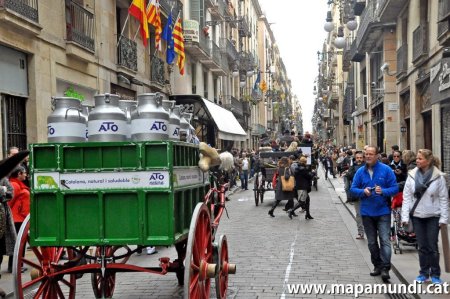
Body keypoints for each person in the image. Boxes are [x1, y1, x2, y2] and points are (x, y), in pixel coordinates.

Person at [350, 145, 398, 282]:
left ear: (377, 156)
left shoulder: (386, 170)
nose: (368, 156)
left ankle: (385, 267)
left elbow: (394, 188)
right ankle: (377, 265)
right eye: (366, 154)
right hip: (366, 212)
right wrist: (362, 192)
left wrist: (383, 191)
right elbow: (353, 188)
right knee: (371, 242)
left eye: (371, 154)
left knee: (384, 240)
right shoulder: (360, 172)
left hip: (383, 211)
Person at [401, 149, 449, 285]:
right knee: (422, 246)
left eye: (420, 159)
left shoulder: (438, 177)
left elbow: (444, 199)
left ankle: (435, 274)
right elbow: (406, 197)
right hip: (417, 215)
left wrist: (444, 218)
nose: (417, 161)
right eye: (417, 158)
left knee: (432, 246)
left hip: (433, 215)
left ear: (428, 161)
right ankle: (423, 273)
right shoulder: (411, 175)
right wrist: (405, 216)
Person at [8, 166, 30, 273]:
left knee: (20, 244)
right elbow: (9, 202)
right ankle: (15, 266)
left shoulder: (17, 184)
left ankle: (17, 265)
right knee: (18, 244)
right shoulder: (15, 185)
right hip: (17, 219)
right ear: (19, 174)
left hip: (20, 218)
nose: (26, 175)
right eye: (24, 173)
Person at [345, 151, 365, 239]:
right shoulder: (352, 168)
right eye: (357, 158)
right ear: (355, 158)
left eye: (361, 158)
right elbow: (349, 178)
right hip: (357, 194)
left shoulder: (368, 167)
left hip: (368, 194)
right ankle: (360, 232)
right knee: (359, 214)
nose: (359, 159)